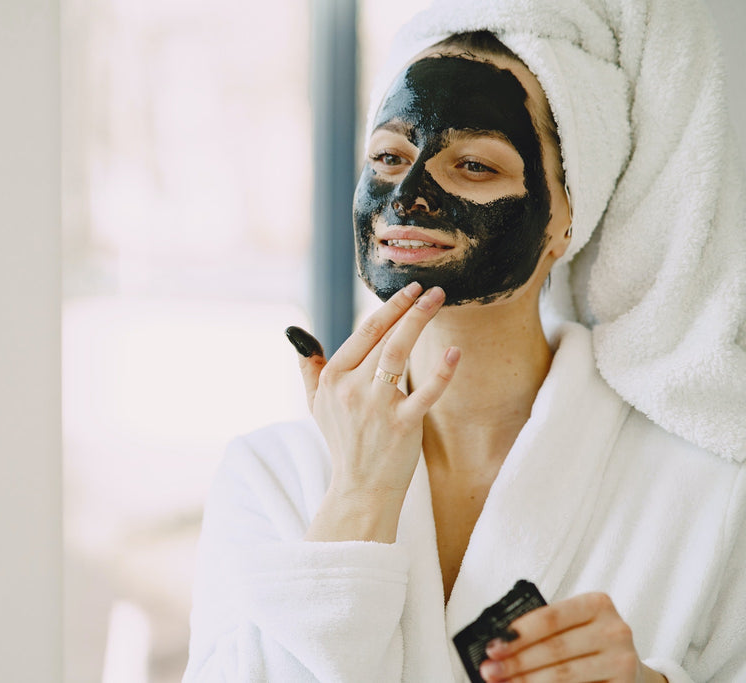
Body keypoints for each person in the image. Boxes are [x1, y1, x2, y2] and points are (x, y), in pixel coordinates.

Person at [183, 0, 746, 681]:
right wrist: (356, 495)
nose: (408, 196)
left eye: (474, 165)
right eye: (389, 156)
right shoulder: (273, 475)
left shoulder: (708, 490)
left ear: (568, 215)